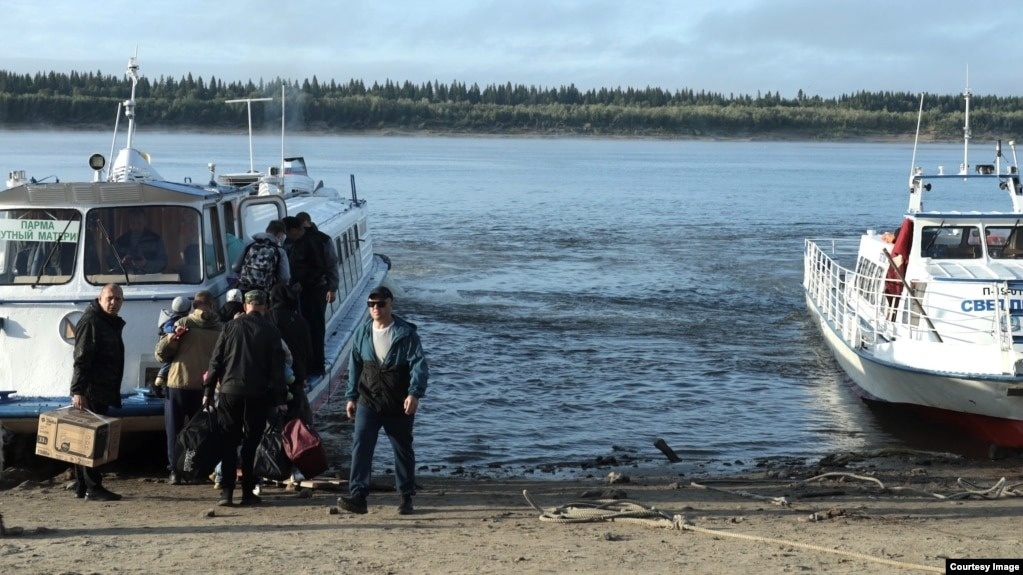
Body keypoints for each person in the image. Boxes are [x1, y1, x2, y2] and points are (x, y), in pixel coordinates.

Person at [339, 286, 429, 516]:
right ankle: (358, 496)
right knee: (361, 445)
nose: (376, 308)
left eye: (380, 304)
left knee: (402, 449)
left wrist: (414, 394)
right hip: (368, 400)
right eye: (371, 304)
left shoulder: (405, 333)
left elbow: (419, 365)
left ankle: (406, 497)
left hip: (398, 402)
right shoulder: (362, 332)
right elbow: (354, 366)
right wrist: (351, 396)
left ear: (391, 304)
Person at [203, 289, 288, 507]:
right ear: (265, 307)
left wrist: (208, 391)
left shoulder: (230, 327)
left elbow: (216, 361)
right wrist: (280, 400)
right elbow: (277, 370)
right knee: (252, 443)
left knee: (228, 441)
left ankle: (226, 492)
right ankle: (248, 491)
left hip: (230, 392)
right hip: (257, 394)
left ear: (245, 307)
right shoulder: (271, 331)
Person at [155, 290, 222, 485]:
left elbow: (161, 353)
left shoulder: (183, 324)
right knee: (199, 433)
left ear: (194, 305)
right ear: (212, 305)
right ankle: (194, 471)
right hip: (205, 387)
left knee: (173, 431)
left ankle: (174, 472)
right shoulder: (221, 328)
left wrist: (171, 339)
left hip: (178, 383)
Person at [69, 283, 126, 502]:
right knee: (92, 440)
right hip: (92, 390)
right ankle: (93, 487)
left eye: (118, 299)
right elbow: (81, 358)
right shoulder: (93, 321)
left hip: (101, 389)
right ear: (100, 298)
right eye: (110, 298)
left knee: (87, 437)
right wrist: (78, 390)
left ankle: (83, 486)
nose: (114, 303)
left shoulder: (107, 322)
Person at [282, 216, 329, 376]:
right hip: (299, 291)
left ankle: (318, 365)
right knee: (302, 328)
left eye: (286, 233)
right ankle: (306, 363)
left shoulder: (312, 241)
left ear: (293, 230)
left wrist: (304, 282)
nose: (286, 237)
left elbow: (319, 267)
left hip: (314, 290)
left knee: (315, 328)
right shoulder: (293, 243)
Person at [265, 282, 314, 424]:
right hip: (295, 378)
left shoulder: (265, 320)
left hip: (270, 381)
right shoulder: (300, 321)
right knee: (299, 423)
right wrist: (304, 374)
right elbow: (309, 353)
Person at [233, 220, 290, 293]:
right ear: (280, 234)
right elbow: (285, 277)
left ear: (266, 230)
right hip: (265, 293)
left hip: (244, 288)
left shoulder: (250, 244)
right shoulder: (280, 251)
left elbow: (235, 267)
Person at [109, 208, 168, 274]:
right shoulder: (120, 242)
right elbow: (110, 261)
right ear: (129, 222)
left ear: (145, 222)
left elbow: (163, 262)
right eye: (133, 223)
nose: (136, 227)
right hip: (126, 280)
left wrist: (146, 264)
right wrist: (122, 263)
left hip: (150, 280)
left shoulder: (155, 240)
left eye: (139, 223)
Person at [154, 296, 191, 390]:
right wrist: (174, 329)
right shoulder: (173, 319)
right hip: (171, 345)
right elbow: (166, 328)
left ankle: (161, 377)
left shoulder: (171, 316)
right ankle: (161, 375)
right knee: (172, 360)